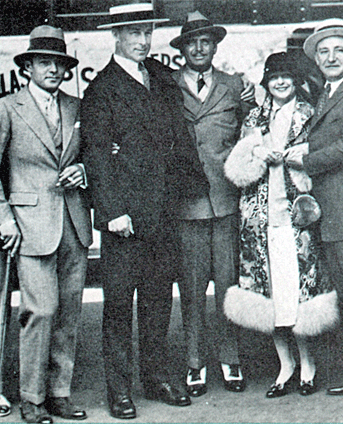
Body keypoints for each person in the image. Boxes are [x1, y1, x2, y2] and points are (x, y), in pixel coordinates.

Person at [80, 2, 210, 419]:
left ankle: (155, 379)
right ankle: (119, 390)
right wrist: (112, 211)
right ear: (115, 37)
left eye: (147, 31)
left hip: (164, 211)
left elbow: (179, 137)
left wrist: (192, 189)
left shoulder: (160, 78)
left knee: (157, 301)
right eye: (133, 33)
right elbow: (97, 155)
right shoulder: (101, 89)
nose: (142, 40)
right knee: (118, 306)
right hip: (125, 220)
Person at [224, 51, 338, 398]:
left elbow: (322, 156)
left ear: (296, 79)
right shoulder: (255, 118)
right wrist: (258, 154)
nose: (280, 82)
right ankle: (284, 365)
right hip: (260, 221)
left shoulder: (310, 114)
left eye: (286, 76)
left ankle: (308, 365)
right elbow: (236, 170)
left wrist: (295, 156)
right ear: (266, 82)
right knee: (271, 294)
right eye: (274, 77)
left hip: (298, 220)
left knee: (298, 291)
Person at [0, 25, 93, 423]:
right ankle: (32, 399)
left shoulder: (76, 106)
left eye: (58, 63)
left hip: (74, 222)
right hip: (29, 223)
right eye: (44, 63)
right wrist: (4, 218)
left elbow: (94, 155)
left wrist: (83, 171)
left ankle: (59, 393)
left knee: (69, 311)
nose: (52, 70)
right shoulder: (7, 107)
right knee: (41, 310)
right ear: (28, 68)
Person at [286, 18, 343, 411]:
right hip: (335, 213)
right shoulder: (329, 91)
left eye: (340, 50)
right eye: (324, 51)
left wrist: (304, 158)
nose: (331, 57)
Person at [169, 10, 255, 397]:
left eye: (206, 42)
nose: (199, 48)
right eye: (192, 42)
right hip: (185, 203)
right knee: (190, 286)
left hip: (225, 201)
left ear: (215, 46)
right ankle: (194, 363)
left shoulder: (236, 86)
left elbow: (252, 132)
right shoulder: (166, 86)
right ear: (182, 49)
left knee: (228, 286)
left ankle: (230, 358)